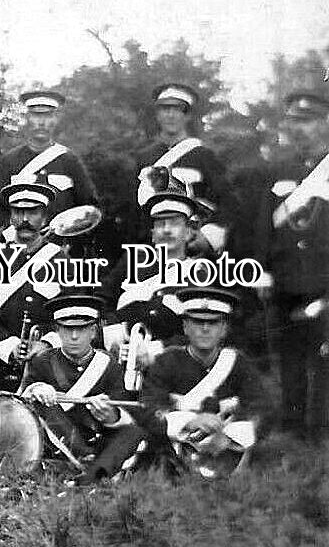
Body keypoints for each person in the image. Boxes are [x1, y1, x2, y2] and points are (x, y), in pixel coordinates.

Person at [254, 90, 329, 439]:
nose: (301, 129)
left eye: (309, 121)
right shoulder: (276, 171)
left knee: (325, 356)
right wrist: (262, 269)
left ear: (325, 123)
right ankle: (293, 423)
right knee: (288, 357)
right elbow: (261, 226)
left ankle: (322, 427)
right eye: (295, 122)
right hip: (283, 278)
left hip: (323, 277)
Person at [135, 287, 271, 477]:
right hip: (179, 450)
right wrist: (190, 421)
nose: (205, 329)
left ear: (224, 329)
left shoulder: (238, 363)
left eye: (213, 323)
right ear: (185, 327)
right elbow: (149, 408)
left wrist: (229, 435)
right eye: (198, 322)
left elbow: (260, 407)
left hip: (227, 449)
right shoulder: (166, 362)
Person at [21, 294, 146, 484]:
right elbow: (21, 404)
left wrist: (111, 415)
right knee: (42, 405)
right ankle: (92, 471)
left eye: (81, 329)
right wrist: (38, 388)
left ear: (93, 331)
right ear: (57, 331)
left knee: (133, 431)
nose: (74, 337)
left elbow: (122, 408)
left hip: (98, 438)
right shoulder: (42, 361)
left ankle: (90, 476)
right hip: (58, 443)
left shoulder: (109, 364)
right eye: (67, 329)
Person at [0, 175, 65, 389]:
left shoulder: (59, 259)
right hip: (1, 362)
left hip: (50, 362)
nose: (24, 219)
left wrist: (47, 343)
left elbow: (72, 313)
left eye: (32, 212)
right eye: (18, 212)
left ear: (44, 217)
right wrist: (9, 346)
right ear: (11, 217)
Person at [100, 191, 207, 376]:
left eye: (174, 223)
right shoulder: (133, 261)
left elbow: (203, 332)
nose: (166, 230)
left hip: (171, 369)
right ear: (152, 234)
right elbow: (103, 299)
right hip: (120, 363)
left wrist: (157, 350)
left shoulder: (200, 274)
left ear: (189, 232)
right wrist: (110, 334)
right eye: (160, 224)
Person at [133, 83, 238, 255]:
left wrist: (207, 237)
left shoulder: (203, 155)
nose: (171, 115)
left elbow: (229, 203)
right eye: (165, 108)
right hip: (151, 245)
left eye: (178, 109)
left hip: (191, 244)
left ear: (187, 116)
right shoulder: (144, 158)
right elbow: (136, 209)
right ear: (157, 114)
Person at [0, 91, 99, 233]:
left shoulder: (69, 161)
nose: (41, 122)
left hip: (61, 248)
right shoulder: (10, 161)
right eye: (36, 115)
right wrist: (11, 234)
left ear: (55, 119)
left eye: (48, 115)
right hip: (21, 245)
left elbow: (89, 209)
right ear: (27, 118)